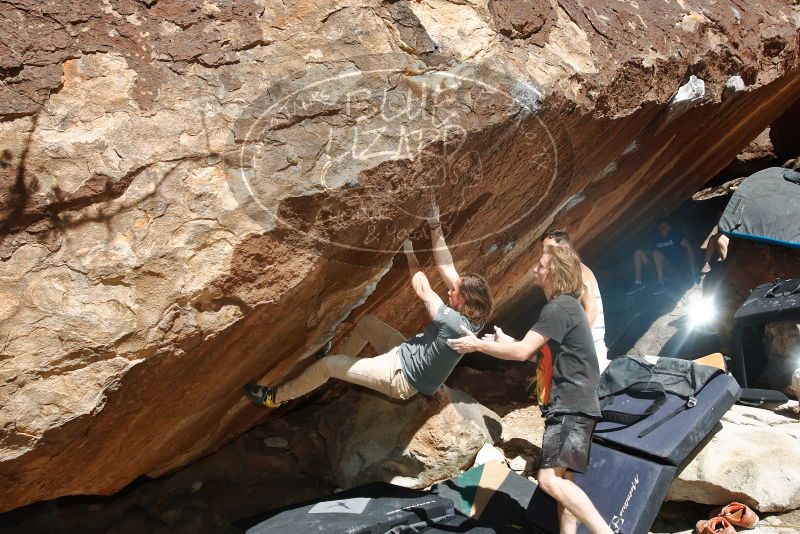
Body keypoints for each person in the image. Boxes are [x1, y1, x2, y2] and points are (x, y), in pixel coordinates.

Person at [244, 206, 493, 408]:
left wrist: (409, 253)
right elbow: (447, 267)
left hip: (401, 377)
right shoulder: (476, 316)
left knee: (328, 366)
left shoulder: (452, 323)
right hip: (405, 352)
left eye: (453, 292)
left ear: (463, 300)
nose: (449, 291)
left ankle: (274, 398)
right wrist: (434, 224)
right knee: (366, 324)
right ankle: (342, 364)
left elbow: (423, 290)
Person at [448, 245, 611, 534]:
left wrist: (476, 344)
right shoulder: (568, 308)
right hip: (578, 404)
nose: (535, 269)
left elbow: (523, 352)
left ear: (555, 273)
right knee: (564, 482)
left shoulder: (558, 307)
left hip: (570, 405)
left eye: (541, 265)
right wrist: (503, 342)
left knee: (549, 481)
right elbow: (540, 355)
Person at [541, 230, 609, 372]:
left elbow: (592, 311)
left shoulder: (581, 272)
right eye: (544, 250)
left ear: (564, 248)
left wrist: (575, 345)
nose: (545, 255)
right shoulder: (559, 278)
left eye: (549, 250)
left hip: (590, 344)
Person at [627, 217, 698, 296]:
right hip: (657, 269)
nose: (662, 228)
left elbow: (688, 246)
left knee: (656, 253)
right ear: (658, 228)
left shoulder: (674, 235)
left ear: (669, 227)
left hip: (671, 268)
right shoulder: (655, 238)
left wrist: (693, 264)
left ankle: (660, 283)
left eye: (665, 226)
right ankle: (638, 282)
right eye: (660, 226)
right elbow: (652, 254)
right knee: (638, 252)